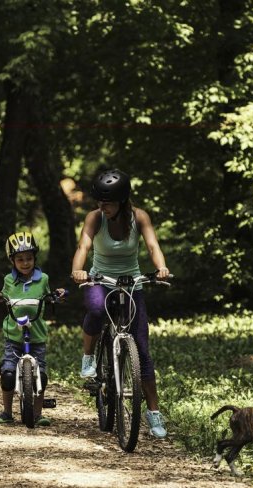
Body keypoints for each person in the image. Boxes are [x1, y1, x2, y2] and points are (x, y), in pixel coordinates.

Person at [70, 169, 171, 438]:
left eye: (107, 203)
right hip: (100, 279)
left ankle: (153, 414)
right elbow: (83, 247)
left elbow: (152, 246)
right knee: (94, 308)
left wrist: (161, 268)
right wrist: (79, 270)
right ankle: (88, 357)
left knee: (143, 349)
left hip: (131, 283)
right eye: (99, 202)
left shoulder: (139, 217)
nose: (101, 207)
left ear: (122, 201)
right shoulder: (95, 218)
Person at [0, 231, 65, 426]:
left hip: (36, 335)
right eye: (20, 259)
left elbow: (50, 294)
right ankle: (6, 412)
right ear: (12, 261)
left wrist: (58, 294)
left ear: (35, 258)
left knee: (41, 376)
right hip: (14, 335)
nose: (25, 263)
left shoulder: (43, 278)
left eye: (29, 258)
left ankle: (37, 414)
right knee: (9, 374)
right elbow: (3, 295)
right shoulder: (9, 280)